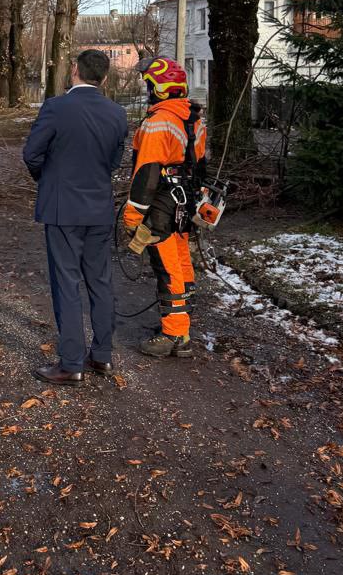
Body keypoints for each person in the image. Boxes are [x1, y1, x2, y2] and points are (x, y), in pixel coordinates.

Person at [22, 49, 129, 385]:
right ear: (105, 78)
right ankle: (102, 355)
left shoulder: (56, 107)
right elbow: (113, 161)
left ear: (74, 72)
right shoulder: (117, 113)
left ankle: (71, 363)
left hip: (62, 208)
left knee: (66, 283)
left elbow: (31, 153)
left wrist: (49, 178)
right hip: (99, 208)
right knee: (100, 282)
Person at [122, 56, 207, 359]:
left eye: (149, 84)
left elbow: (146, 173)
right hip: (186, 199)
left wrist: (132, 217)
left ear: (160, 88)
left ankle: (173, 335)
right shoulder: (192, 118)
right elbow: (199, 165)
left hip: (162, 204)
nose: (146, 89)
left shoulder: (159, 122)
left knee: (167, 267)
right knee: (182, 261)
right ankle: (181, 326)